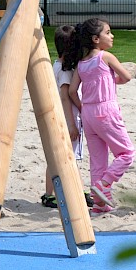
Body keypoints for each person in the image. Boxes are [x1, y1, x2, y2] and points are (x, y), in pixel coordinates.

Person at [66, 18, 134, 213]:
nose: (112, 36)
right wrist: (112, 80)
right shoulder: (106, 57)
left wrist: (83, 107)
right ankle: (104, 184)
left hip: (88, 113)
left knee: (97, 160)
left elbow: (72, 91)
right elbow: (127, 77)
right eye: (108, 32)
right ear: (96, 39)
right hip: (106, 110)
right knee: (126, 153)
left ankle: (99, 204)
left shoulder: (81, 64)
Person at [42, 25, 91, 210]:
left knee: (55, 158)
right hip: (67, 119)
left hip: (57, 118)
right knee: (70, 157)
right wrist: (72, 123)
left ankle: (49, 194)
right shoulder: (65, 71)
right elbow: (66, 96)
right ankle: (77, 191)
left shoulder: (55, 65)